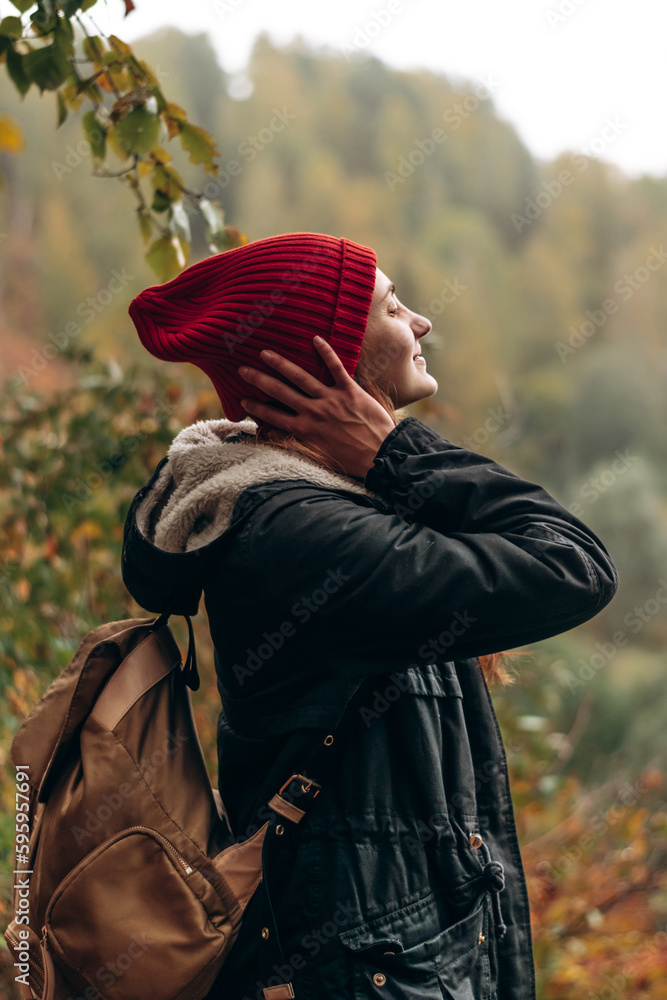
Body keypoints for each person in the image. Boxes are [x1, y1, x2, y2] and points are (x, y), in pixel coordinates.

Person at [122, 232, 618, 1000]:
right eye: (392, 306)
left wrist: (384, 462)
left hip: (398, 960)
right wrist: (394, 451)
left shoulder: (328, 508)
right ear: (326, 357)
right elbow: (572, 566)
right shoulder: (301, 536)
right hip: (368, 975)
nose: (420, 322)